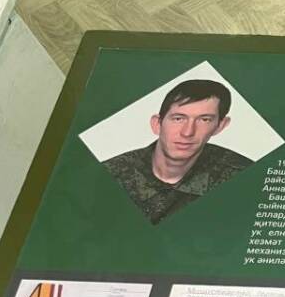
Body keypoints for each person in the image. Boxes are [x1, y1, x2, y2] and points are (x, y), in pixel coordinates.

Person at [104, 79, 252, 225]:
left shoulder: (244, 178)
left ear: (220, 126)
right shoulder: (112, 173)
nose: (187, 132)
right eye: (178, 118)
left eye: (204, 120)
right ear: (157, 124)